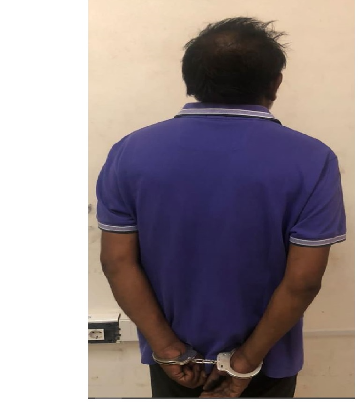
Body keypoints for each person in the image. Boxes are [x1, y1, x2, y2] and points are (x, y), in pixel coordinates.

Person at [96, 17, 346, 398]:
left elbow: (117, 262)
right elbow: (303, 281)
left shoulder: (129, 153)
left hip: (177, 364)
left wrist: (167, 348)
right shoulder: (313, 160)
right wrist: (244, 361)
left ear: (190, 79)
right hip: (266, 361)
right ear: (276, 82)